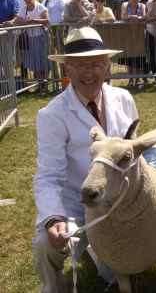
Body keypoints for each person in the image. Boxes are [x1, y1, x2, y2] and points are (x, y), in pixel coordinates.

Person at [33, 26, 138, 293]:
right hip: (76, 205)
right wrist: (54, 217)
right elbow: (48, 175)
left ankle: (106, 258)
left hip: (120, 202)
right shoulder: (52, 115)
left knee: (126, 269)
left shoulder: (124, 99)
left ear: (107, 66)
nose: (88, 73)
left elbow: (133, 152)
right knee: (46, 242)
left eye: (95, 64)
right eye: (79, 65)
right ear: (67, 69)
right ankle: (54, 286)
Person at [16, 0, 51, 90]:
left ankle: (44, 85)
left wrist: (33, 21)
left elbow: (47, 20)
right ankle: (41, 85)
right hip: (31, 39)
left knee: (44, 62)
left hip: (42, 38)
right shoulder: (23, 9)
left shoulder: (40, 7)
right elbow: (18, 20)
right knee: (36, 63)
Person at [121, 0, 147, 87]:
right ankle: (131, 79)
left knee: (139, 56)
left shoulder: (142, 5)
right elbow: (123, 16)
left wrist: (138, 17)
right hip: (128, 34)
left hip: (139, 34)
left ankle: (137, 78)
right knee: (129, 57)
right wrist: (131, 17)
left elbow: (144, 16)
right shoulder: (124, 5)